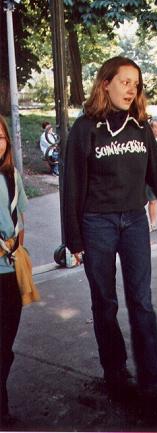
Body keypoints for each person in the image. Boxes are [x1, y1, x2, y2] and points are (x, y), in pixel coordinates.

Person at [63, 56, 157, 398]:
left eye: (136, 82)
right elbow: (72, 185)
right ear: (106, 83)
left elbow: (156, 176)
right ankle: (115, 368)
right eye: (124, 81)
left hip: (134, 221)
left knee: (141, 299)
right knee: (105, 301)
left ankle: (150, 373)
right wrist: (73, 238)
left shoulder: (141, 126)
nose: (132, 88)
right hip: (96, 224)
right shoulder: (86, 128)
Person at [0, 115, 39, 424]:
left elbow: (20, 218)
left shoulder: (11, 174)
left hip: (10, 271)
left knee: (5, 344)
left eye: (0, 138)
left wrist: (18, 252)